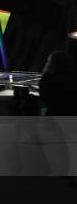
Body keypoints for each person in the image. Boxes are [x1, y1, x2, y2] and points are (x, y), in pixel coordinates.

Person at [39, 50, 77, 187]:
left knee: (64, 147)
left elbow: (46, 100)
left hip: (58, 117)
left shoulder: (46, 80)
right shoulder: (73, 77)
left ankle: (66, 175)